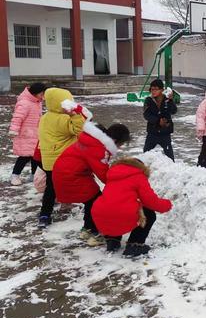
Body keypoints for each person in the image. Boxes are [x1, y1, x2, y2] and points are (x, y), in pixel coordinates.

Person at [53, 122, 130, 246]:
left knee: (92, 201)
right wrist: (122, 182)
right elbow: (104, 175)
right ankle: (96, 232)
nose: (120, 147)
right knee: (98, 202)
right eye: (121, 143)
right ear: (115, 140)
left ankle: (88, 229)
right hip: (72, 176)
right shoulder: (98, 148)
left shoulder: (94, 140)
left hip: (66, 172)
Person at [91, 157, 173, 257]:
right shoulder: (139, 176)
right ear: (141, 167)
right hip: (119, 212)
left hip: (100, 212)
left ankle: (112, 240)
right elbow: (150, 201)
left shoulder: (112, 174)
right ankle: (135, 245)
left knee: (114, 209)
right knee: (149, 214)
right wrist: (166, 205)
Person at [37, 88, 91, 228]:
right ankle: (89, 206)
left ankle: (45, 214)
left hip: (48, 160)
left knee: (51, 187)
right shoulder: (62, 118)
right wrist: (75, 115)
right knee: (79, 183)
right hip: (62, 160)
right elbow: (79, 129)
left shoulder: (45, 117)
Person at [8, 82, 47, 186]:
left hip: (35, 134)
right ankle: (15, 175)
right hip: (25, 134)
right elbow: (17, 117)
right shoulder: (24, 103)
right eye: (42, 93)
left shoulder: (37, 102)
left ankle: (34, 175)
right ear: (35, 93)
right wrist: (14, 130)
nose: (43, 96)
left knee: (35, 156)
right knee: (24, 156)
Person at [143, 79, 177, 161]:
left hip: (165, 132)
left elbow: (173, 111)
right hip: (152, 132)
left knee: (169, 155)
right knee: (146, 153)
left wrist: (171, 100)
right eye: (152, 89)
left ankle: (172, 169)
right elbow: (146, 115)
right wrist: (158, 121)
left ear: (162, 90)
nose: (153, 91)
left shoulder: (167, 100)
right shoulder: (149, 100)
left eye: (156, 89)